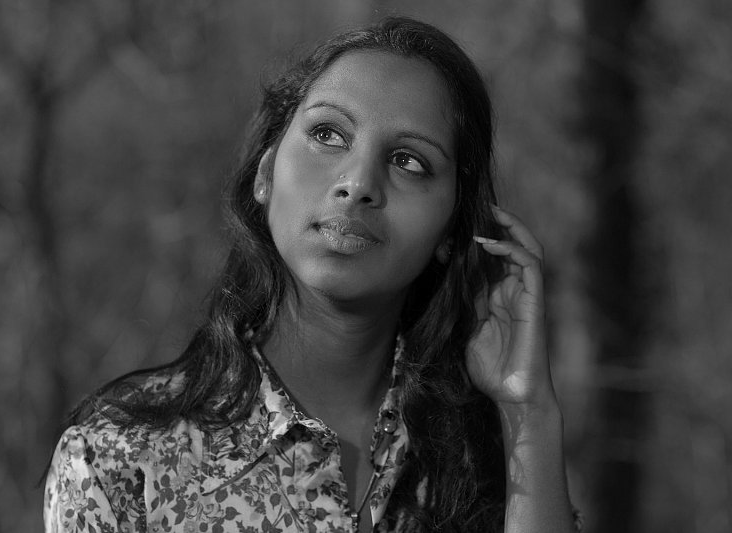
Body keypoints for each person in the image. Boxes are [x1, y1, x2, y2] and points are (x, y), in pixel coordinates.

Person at [44, 16, 582, 533]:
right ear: (266, 172)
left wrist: (528, 412)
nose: (358, 183)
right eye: (328, 134)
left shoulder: (487, 463)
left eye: (408, 161)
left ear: (451, 229)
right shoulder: (119, 460)